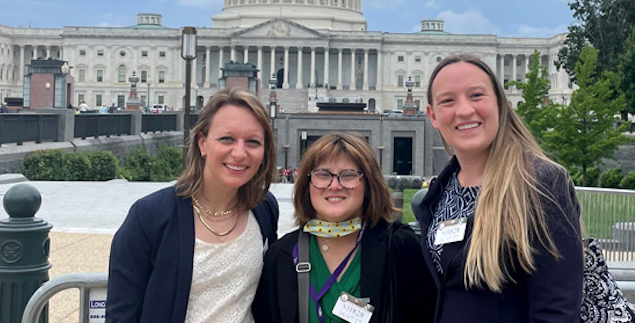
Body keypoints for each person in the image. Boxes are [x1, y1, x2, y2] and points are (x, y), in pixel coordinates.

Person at [417, 54, 583, 322]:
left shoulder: (539, 184)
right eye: (448, 100)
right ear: (433, 116)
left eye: (476, 95)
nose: (464, 110)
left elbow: (556, 311)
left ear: (500, 104)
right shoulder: (442, 190)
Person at [107, 88, 279, 323]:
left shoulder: (264, 208)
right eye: (227, 139)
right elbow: (122, 315)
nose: (240, 153)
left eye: (253, 142)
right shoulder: (149, 217)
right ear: (202, 143)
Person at [253, 133, 435, 323]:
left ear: (368, 184)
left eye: (348, 175)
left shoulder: (400, 248)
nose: (335, 185)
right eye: (323, 175)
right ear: (307, 185)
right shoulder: (282, 255)